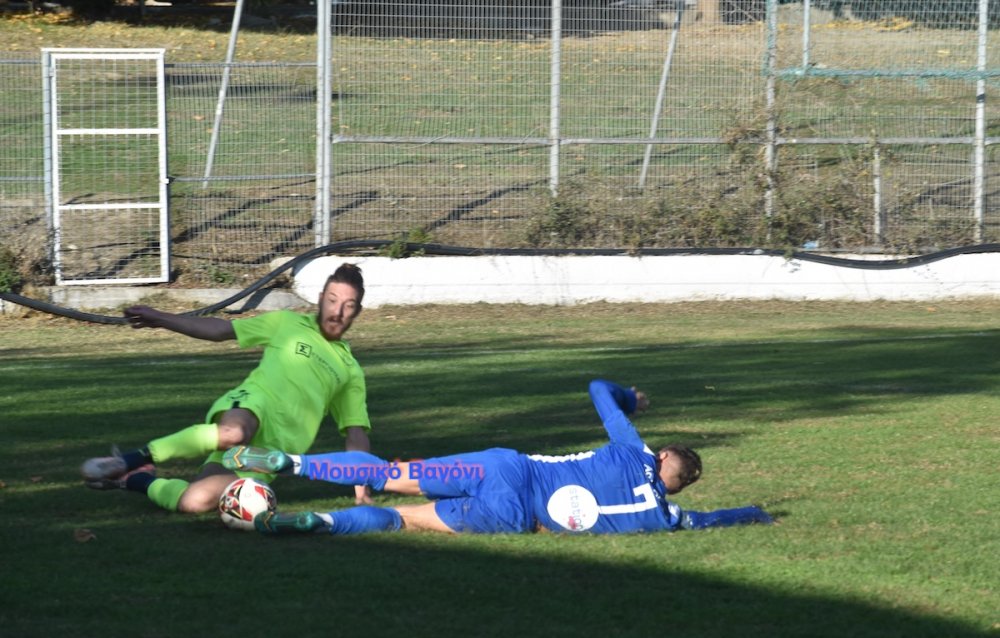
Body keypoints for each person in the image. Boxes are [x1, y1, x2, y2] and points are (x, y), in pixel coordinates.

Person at [221, 379, 774, 536]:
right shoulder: (667, 518)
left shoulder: (634, 451)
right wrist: (753, 513)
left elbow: (598, 387)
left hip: (506, 467)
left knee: (390, 477)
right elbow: (711, 519)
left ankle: (290, 464)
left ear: (662, 456)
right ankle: (308, 522)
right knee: (397, 521)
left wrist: (630, 398)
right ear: (676, 487)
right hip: (513, 518)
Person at [80, 263, 373, 513]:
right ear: (321, 299)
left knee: (195, 501)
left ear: (358, 311)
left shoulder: (350, 369)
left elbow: (355, 434)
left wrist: (362, 493)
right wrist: (161, 319)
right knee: (233, 433)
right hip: (254, 405)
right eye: (332, 300)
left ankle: (133, 478)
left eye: (348, 306)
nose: (337, 312)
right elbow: (221, 330)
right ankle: (128, 459)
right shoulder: (287, 322)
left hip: (272, 452)